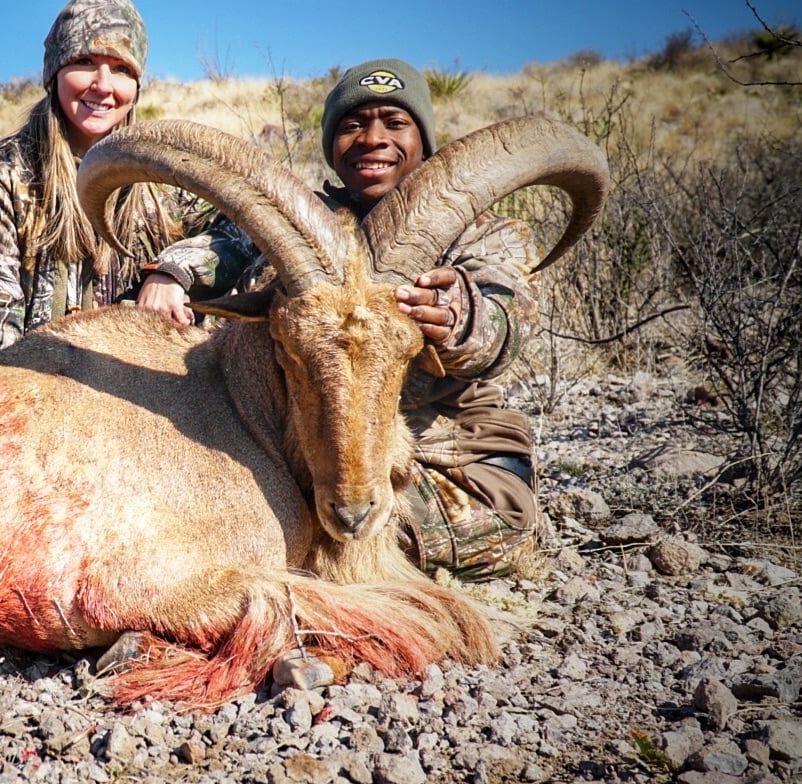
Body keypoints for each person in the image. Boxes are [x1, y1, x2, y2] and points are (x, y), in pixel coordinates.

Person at [137, 59, 542, 579]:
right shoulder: (298, 221)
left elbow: (507, 315)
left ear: (424, 137)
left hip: (440, 449)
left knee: (496, 528)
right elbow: (223, 243)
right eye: (352, 125)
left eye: (395, 124)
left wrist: (460, 317)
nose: (373, 138)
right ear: (331, 144)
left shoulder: (477, 231)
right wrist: (173, 271)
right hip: (294, 442)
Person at [0, 0, 206, 363]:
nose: (104, 85)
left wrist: (173, 271)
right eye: (85, 62)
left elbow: (240, 235)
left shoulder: (162, 179)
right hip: (25, 397)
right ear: (54, 74)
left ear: (137, 86)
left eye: (122, 69)